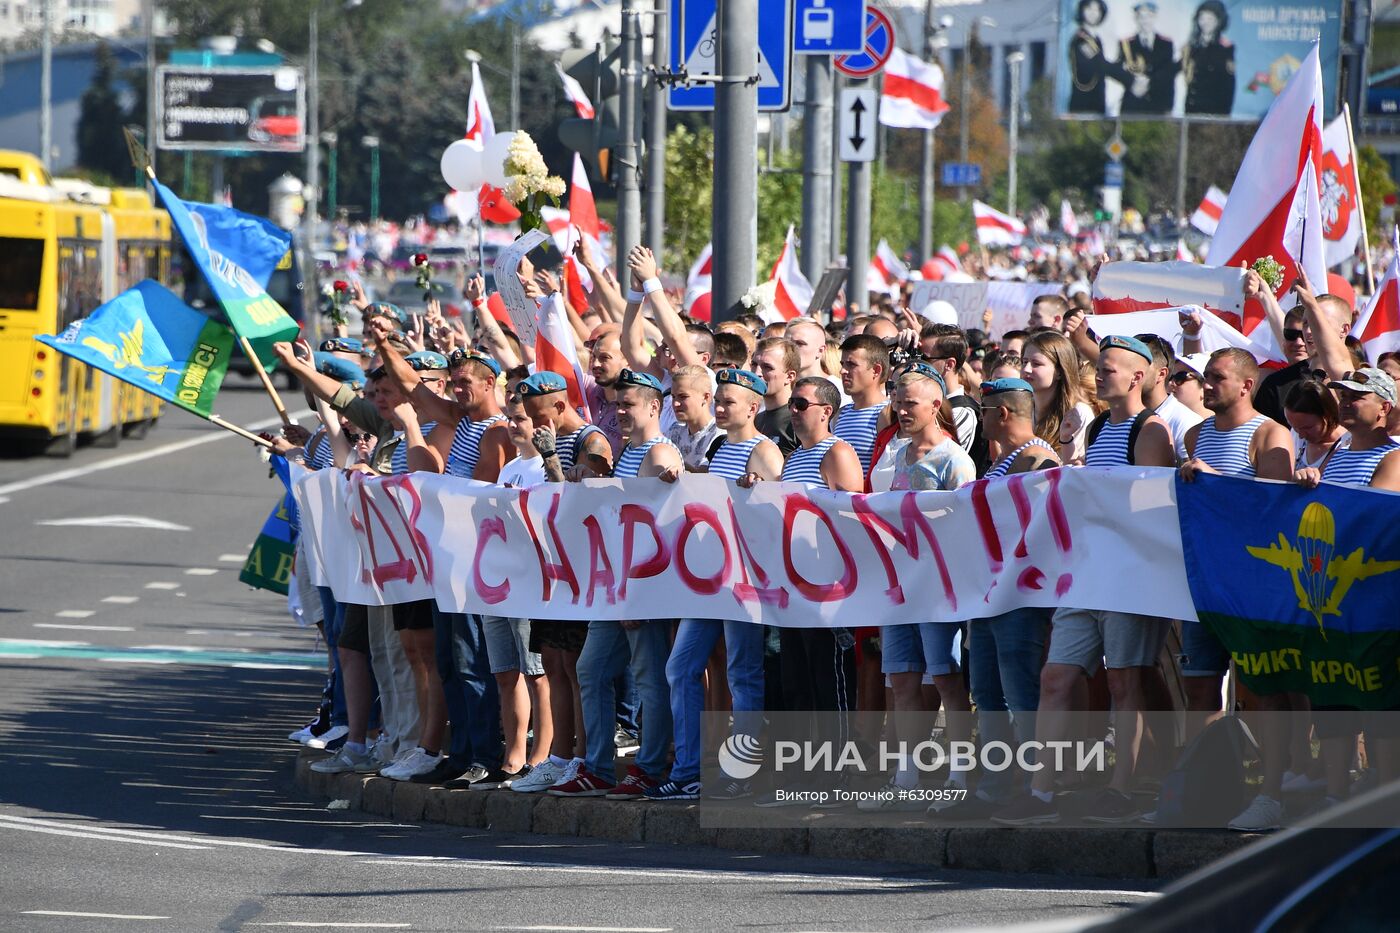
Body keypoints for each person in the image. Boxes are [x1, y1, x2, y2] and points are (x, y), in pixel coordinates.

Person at [995, 336, 1175, 825]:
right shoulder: (1098, 427)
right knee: (1057, 676)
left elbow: (1154, 511)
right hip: (1088, 572)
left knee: (1124, 679)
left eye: (1110, 368)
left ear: (1137, 377)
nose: (1100, 375)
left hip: (1128, 577)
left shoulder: (1150, 431)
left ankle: (1121, 788)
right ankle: (1042, 792)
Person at [647, 369, 784, 801]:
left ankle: (742, 773)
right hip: (709, 579)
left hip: (742, 582)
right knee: (681, 668)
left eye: (728, 402)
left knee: (743, 675)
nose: (720, 408)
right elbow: (708, 488)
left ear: (752, 407)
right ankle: (689, 770)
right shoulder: (723, 444)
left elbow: (780, 517)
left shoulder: (765, 452)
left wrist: (760, 492)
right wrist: (682, 478)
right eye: (718, 401)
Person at [1177, 348, 1296, 831]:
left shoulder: (1271, 434)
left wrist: (1214, 479)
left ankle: (1272, 792)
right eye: (1204, 377)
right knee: (1200, 686)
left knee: (1264, 690)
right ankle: (1208, 789)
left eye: (1216, 378)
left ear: (1246, 385)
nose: (1206, 386)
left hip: (1251, 588)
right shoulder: (1194, 434)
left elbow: (1273, 507)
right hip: (1202, 582)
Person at [550, 369, 681, 799]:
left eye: (629, 405)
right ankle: (599, 767)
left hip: (642, 586)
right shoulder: (631, 452)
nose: (620, 412)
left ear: (653, 407)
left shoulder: (659, 455)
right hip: (617, 585)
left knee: (648, 676)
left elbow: (655, 533)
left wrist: (635, 595)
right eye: (617, 405)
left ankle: (649, 767)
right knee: (590, 669)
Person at [858, 363, 977, 811]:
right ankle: (906, 778)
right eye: (898, 400)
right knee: (903, 680)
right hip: (900, 589)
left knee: (946, 681)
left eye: (911, 402)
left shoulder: (954, 460)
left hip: (938, 590)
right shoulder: (898, 454)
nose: (901, 409)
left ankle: (959, 776)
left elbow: (966, 526)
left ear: (936, 405)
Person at [943, 378, 1060, 819]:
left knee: (1019, 691)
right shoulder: (1006, 460)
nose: (981, 417)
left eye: (986, 410)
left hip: (1019, 596)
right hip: (989, 594)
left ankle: (1034, 784)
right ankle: (995, 784)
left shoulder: (1037, 459)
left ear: (1003, 414)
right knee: (988, 692)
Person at [1021, 331, 1096, 464]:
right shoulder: (1021, 409)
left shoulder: (1078, 412)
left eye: (1036, 363)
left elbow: (1076, 470)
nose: (1026, 369)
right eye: (1024, 361)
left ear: (1060, 372)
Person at [835, 334, 894, 475]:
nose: (842, 371)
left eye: (851, 364)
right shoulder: (840, 415)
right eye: (842, 364)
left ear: (876, 370)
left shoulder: (887, 413)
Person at [1067, 0, 1138, 115]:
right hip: (1083, 104)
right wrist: (1129, 79)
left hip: (1096, 102)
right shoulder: (1081, 39)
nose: (1093, 13)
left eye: (1097, 9)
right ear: (1082, 10)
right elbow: (1100, 65)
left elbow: (1102, 65)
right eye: (1089, 8)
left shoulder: (1095, 39)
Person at [1119, 0, 1176, 115]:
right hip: (1133, 103)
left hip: (1158, 104)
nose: (1145, 21)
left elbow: (1168, 74)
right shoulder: (1126, 44)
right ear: (1136, 18)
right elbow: (1121, 70)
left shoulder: (1166, 44)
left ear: (1155, 17)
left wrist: (1169, 106)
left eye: (1149, 16)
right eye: (1141, 17)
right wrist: (1133, 82)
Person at [1182, 0, 1234, 116]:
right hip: (1192, 110)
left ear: (1218, 21)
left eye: (1210, 19)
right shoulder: (1191, 47)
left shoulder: (1225, 48)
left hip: (1214, 112)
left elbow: (1228, 86)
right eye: (1202, 18)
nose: (1205, 22)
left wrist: (1223, 115)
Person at [665, 364, 722, 470]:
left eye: (683, 397)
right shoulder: (674, 431)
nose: (676, 403)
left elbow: (707, 478)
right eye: (673, 397)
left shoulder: (719, 434)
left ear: (705, 397)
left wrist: (677, 465)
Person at [751, 336, 800, 457]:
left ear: (790, 376)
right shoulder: (754, 419)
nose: (757, 373)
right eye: (754, 364)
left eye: (767, 367)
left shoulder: (799, 419)